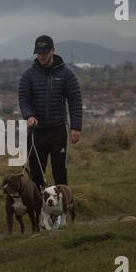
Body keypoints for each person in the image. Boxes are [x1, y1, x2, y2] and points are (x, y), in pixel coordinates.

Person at [19, 35, 82, 188]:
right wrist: (29, 115)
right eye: (39, 53)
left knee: (60, 173)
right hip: (36, 133)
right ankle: (39, 209)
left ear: (53, 50)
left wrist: (76, 127)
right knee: (36, 175)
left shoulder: (67, 74)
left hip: (58, 131)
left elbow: (75, 100)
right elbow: (24, 100)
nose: (42, 56)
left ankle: (62, 208)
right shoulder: (28, 76)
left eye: (45, 53)